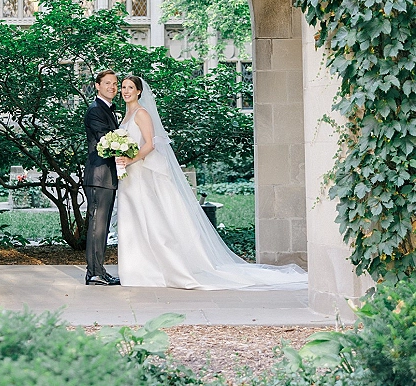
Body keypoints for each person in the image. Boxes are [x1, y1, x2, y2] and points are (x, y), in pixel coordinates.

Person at [115, 75, 307, 290]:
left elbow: (150, 144)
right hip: (129, 174)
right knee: (134, 222)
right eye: (123, 87)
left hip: (142, 173)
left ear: (139, 91)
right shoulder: (126, 115)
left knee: (152, 221)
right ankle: (138, 269)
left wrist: (129, 159)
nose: (126, 91)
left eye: (130, 87)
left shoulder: (141, 113)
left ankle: (161, 270)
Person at [83, 70, 121, 286]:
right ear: (97, 86)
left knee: (102, 226)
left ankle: (99, 270)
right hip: (99, 176)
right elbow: (106, 140)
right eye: (107, 83)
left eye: (115, 84)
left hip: (107, 177)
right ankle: (94, 272)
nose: (112, 87)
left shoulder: (108, 109)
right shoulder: (95, 110)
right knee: (97, 226)